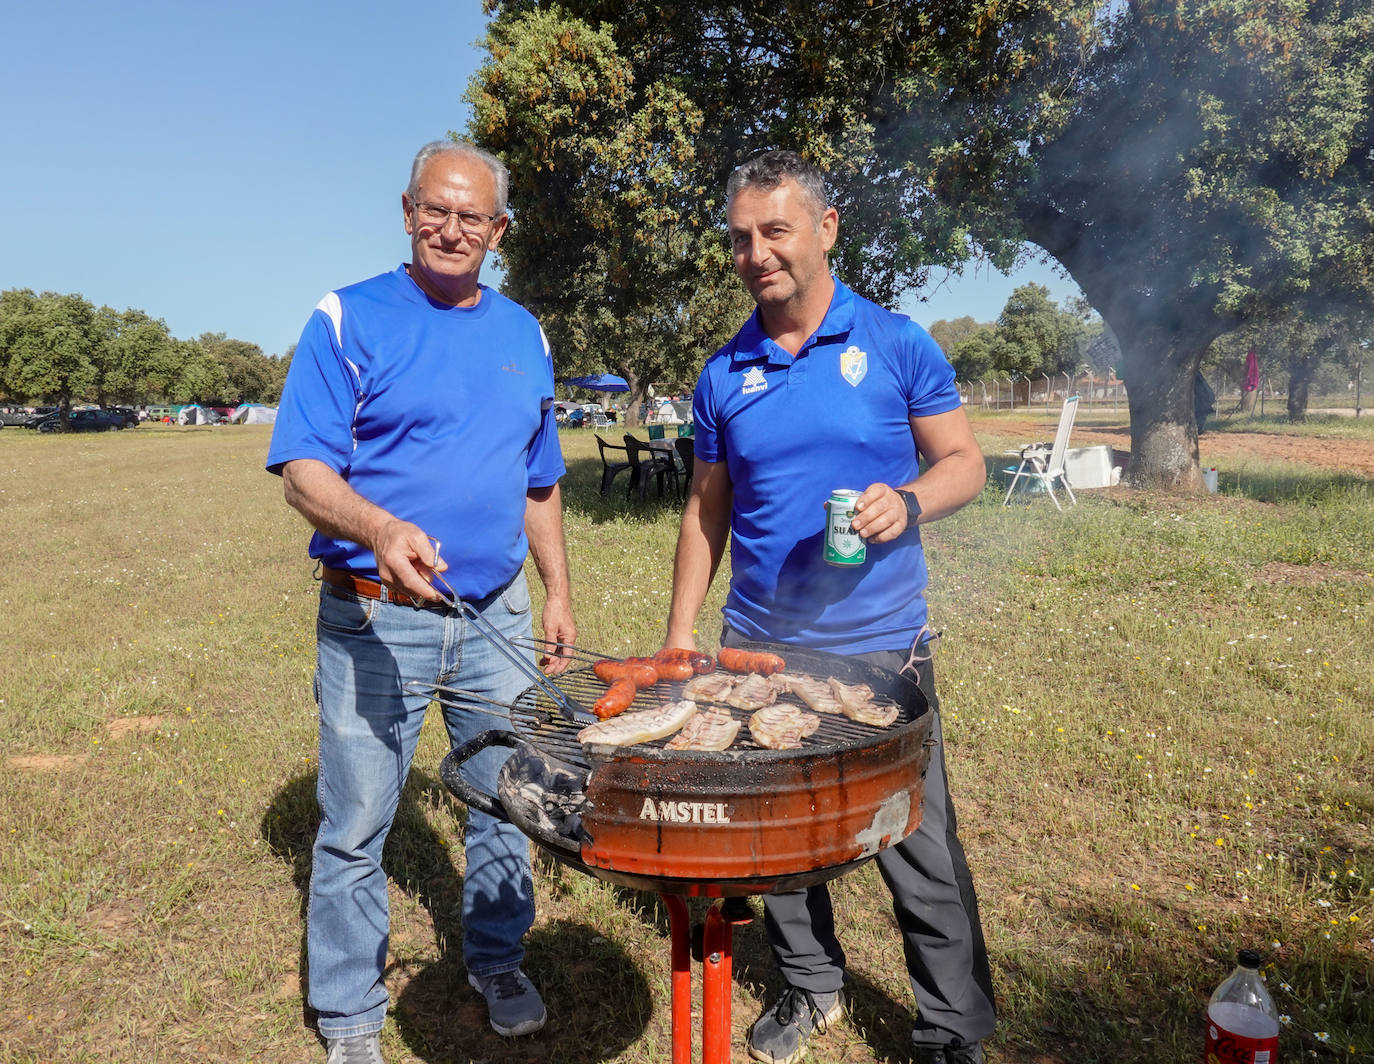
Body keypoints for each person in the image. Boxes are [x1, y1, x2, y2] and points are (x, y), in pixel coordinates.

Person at [663, 151, 995, 1064]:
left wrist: (913, 500)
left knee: (915, 844)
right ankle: (811, 986)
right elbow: (706, 507)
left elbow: (965, 460)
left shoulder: (893, 342)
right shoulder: (724, 371)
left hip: (882, 650)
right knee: (776, 847)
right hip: (760, 647)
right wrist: (682, 632)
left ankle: (953, 1027)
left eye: (775, 231)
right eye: (740, 239)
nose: (756, 254)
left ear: (826, 228)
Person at [266, 139, 577, 1064]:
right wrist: (378, 528)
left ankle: (497, 959)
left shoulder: (525, 331)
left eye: (471, 216)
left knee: (505, 800)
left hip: (498, 617)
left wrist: (558, 589)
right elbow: (303, 472)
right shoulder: (348, 317)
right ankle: (352, 1013)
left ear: (499, 230)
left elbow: (541, 480)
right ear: (406, 212)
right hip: (374, 618)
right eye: (433, 211)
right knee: (359, 824)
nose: (450, 229)